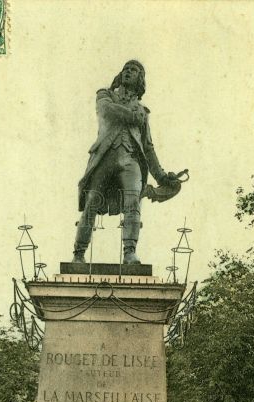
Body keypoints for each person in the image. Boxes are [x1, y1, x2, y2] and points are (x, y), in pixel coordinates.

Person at [73, 60, 178, 265]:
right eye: (126, 69)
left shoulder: (143, 113)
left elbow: (148, 148)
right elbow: (106, 110)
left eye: (134, 70)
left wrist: (162, 177)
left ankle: (130, 252)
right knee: (92, 201)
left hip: (131, 161)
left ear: (140, 79)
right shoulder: (105, 95)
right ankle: (78, 253)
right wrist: (132, 116)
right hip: (104, 158)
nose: (128, 72)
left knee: (133, 202)